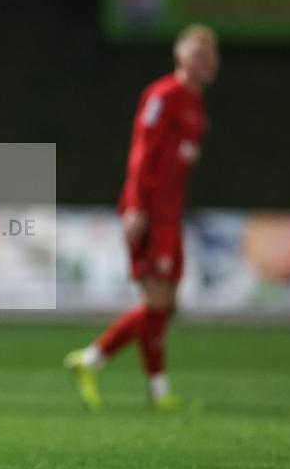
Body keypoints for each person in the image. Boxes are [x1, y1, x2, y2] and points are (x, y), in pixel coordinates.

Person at [65, 25, 219, 411]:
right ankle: (121, 373)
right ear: (181, 58)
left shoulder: (197, 106)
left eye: (211, 55)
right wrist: (136, 204)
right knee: (157, 302)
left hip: (170, 214)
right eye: (199, 55)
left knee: (166, 306)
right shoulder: (162, 96)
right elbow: (141, 151)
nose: (207, 62)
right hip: (149, 211)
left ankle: (116, 371)